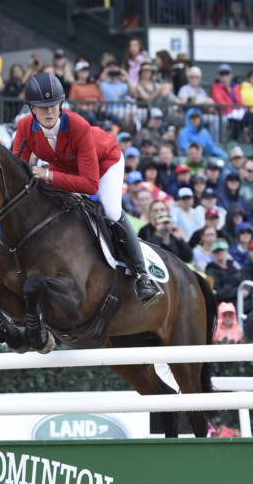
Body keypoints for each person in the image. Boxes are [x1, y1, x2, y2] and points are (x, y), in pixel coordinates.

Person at [12, 72, 161, 307]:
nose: (49, 112)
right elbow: (17, 170)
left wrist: (48, 175)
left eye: (53, 105)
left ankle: (143, 276)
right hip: (64, 166)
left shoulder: (78, 125)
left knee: (110, 210)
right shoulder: (24, 127)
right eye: (42, 107)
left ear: (61, 103)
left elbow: (90, 184)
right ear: (31, 108)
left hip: (105, 162)